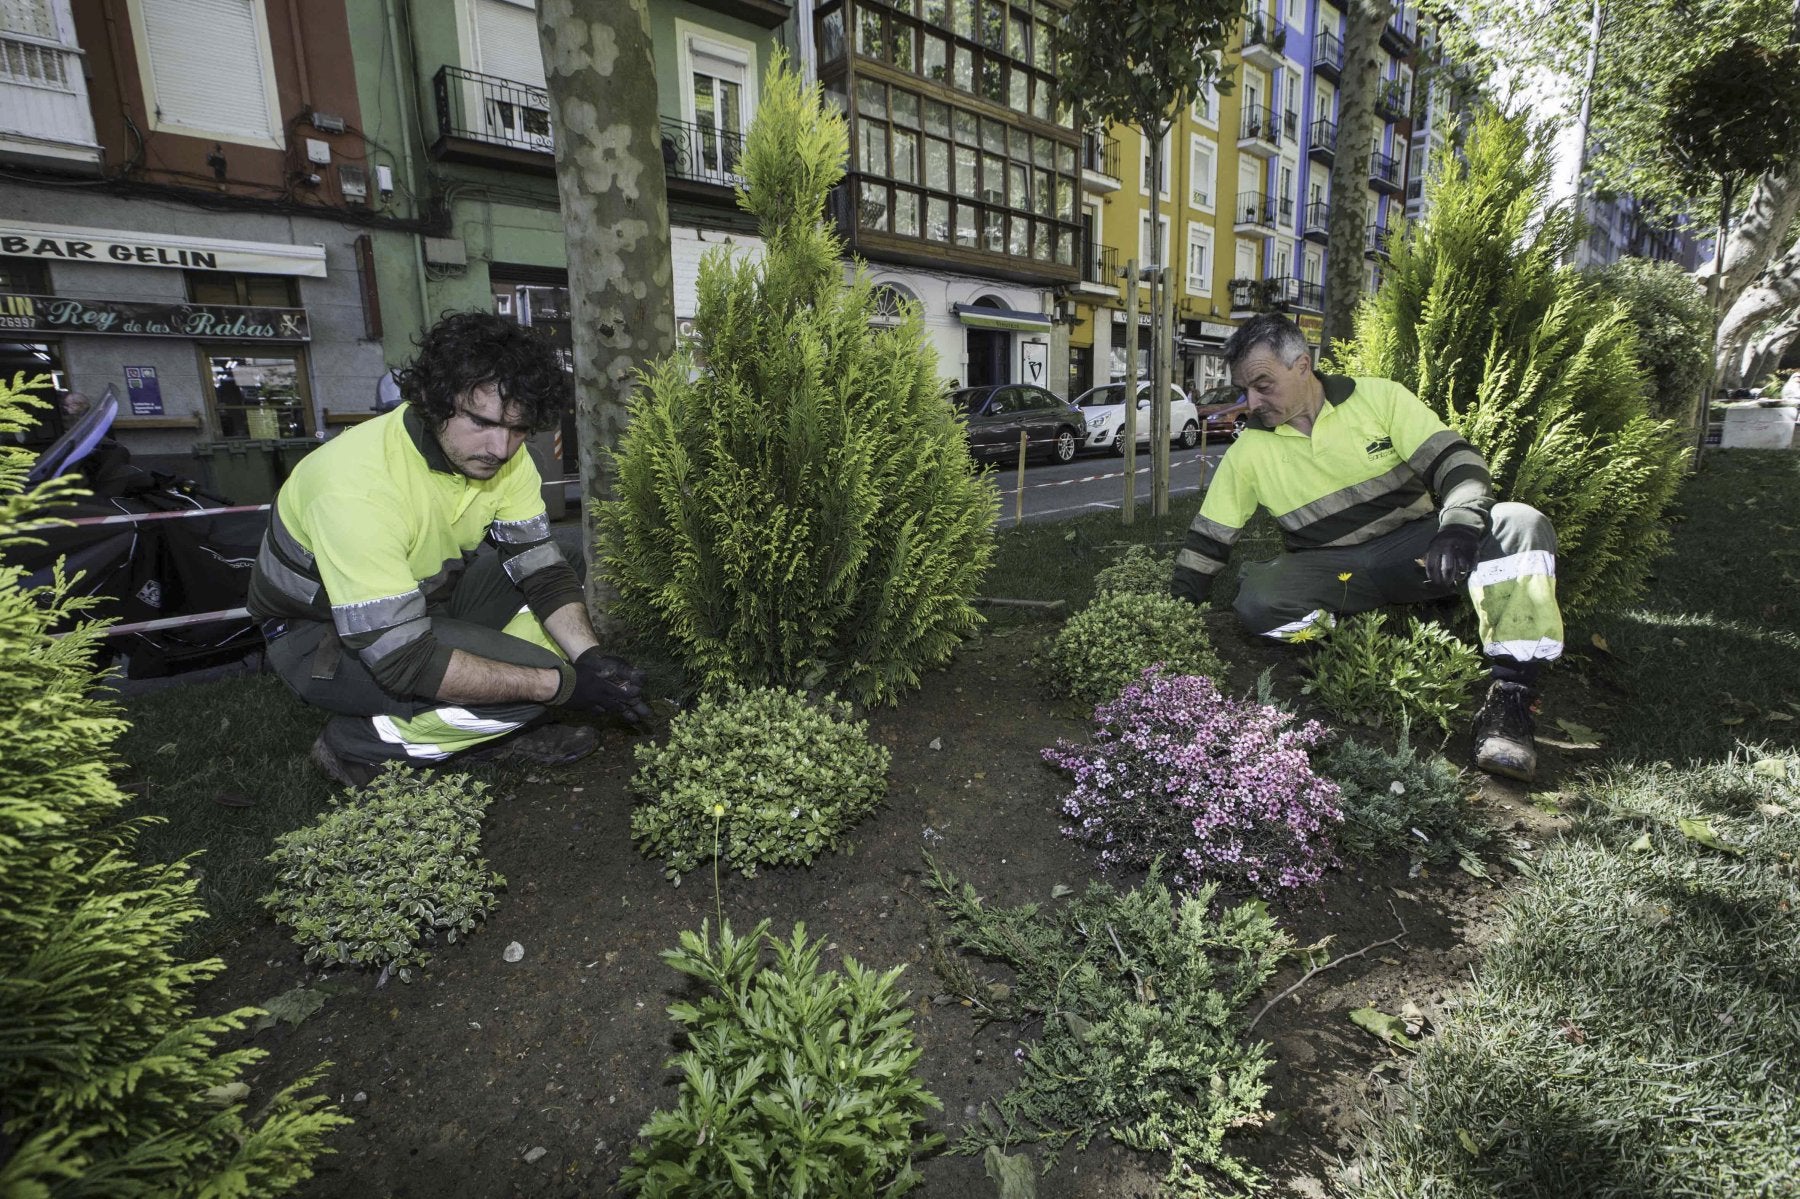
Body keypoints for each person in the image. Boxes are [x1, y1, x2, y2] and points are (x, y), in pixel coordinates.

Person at [247, 311, 651, 787]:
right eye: (482, 422)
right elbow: (403, 659)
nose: (500, 448)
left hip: (422, 601)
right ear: (434, 401)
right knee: (537, 683)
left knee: (564, 569)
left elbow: (541, 570)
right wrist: (563, 687)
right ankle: (358, 745)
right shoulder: (354, 486)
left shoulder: (503, 457)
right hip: (320, 636)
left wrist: (588, 659)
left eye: (519, 429)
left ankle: (488, 727)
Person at [1171, 314, 1563, 782]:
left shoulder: (1379, 398)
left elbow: (1457, 462)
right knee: (1257, 599)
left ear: (1302, 366)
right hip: (1332, 569)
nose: (1251, 402)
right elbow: (1208, 540)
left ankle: (1510, 700)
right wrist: (1175, 613)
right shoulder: (1248, 451)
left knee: (1521, 524)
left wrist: (1458, 525)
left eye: (1262, 385)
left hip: (1415, 550)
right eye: (1245, 389)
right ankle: (1353, 641)